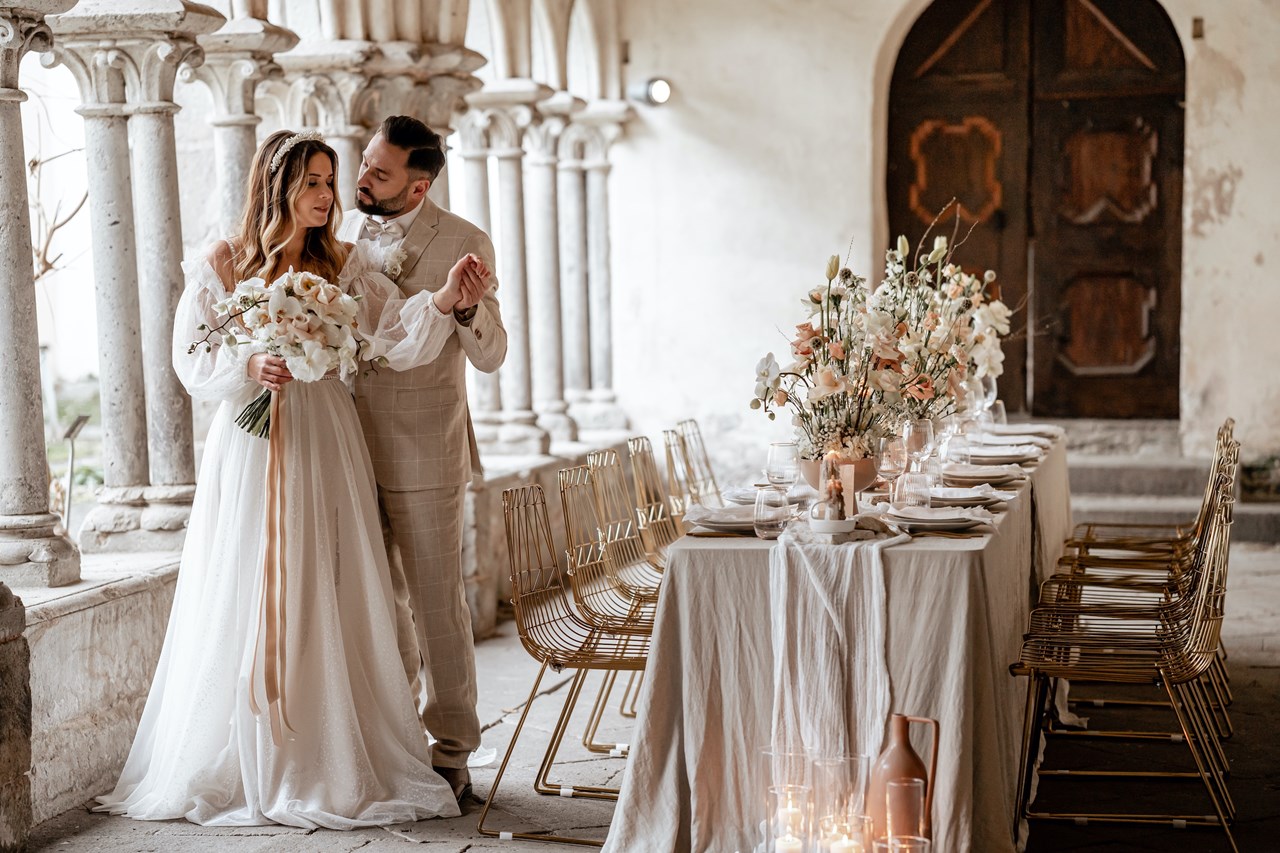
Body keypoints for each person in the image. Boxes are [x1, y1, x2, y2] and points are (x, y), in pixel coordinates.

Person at [96, 129, 490, 828]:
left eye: (330, 182)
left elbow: (391, 337)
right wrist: (248, 364)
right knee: (248, 577)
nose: (327, 195)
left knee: (327, 583)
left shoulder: (341, 263)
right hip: (251, 441)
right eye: (313, 181)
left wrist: (440, 304)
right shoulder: (225, 259)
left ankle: (327, 743)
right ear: (276, 185)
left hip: (327, 438)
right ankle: (253, 743)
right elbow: (191, 353)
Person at [339, 115, 507, 804]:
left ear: (418, 186)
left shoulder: (464, 241)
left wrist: (466, 312)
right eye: (365, 163)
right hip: (345, 444)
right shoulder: (340, 236)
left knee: (439, 604)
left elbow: (493, 354)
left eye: (379, 172)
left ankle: (453, 751)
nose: (361, 178)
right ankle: (396, 742)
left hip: (428, 447)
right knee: (376, 603)